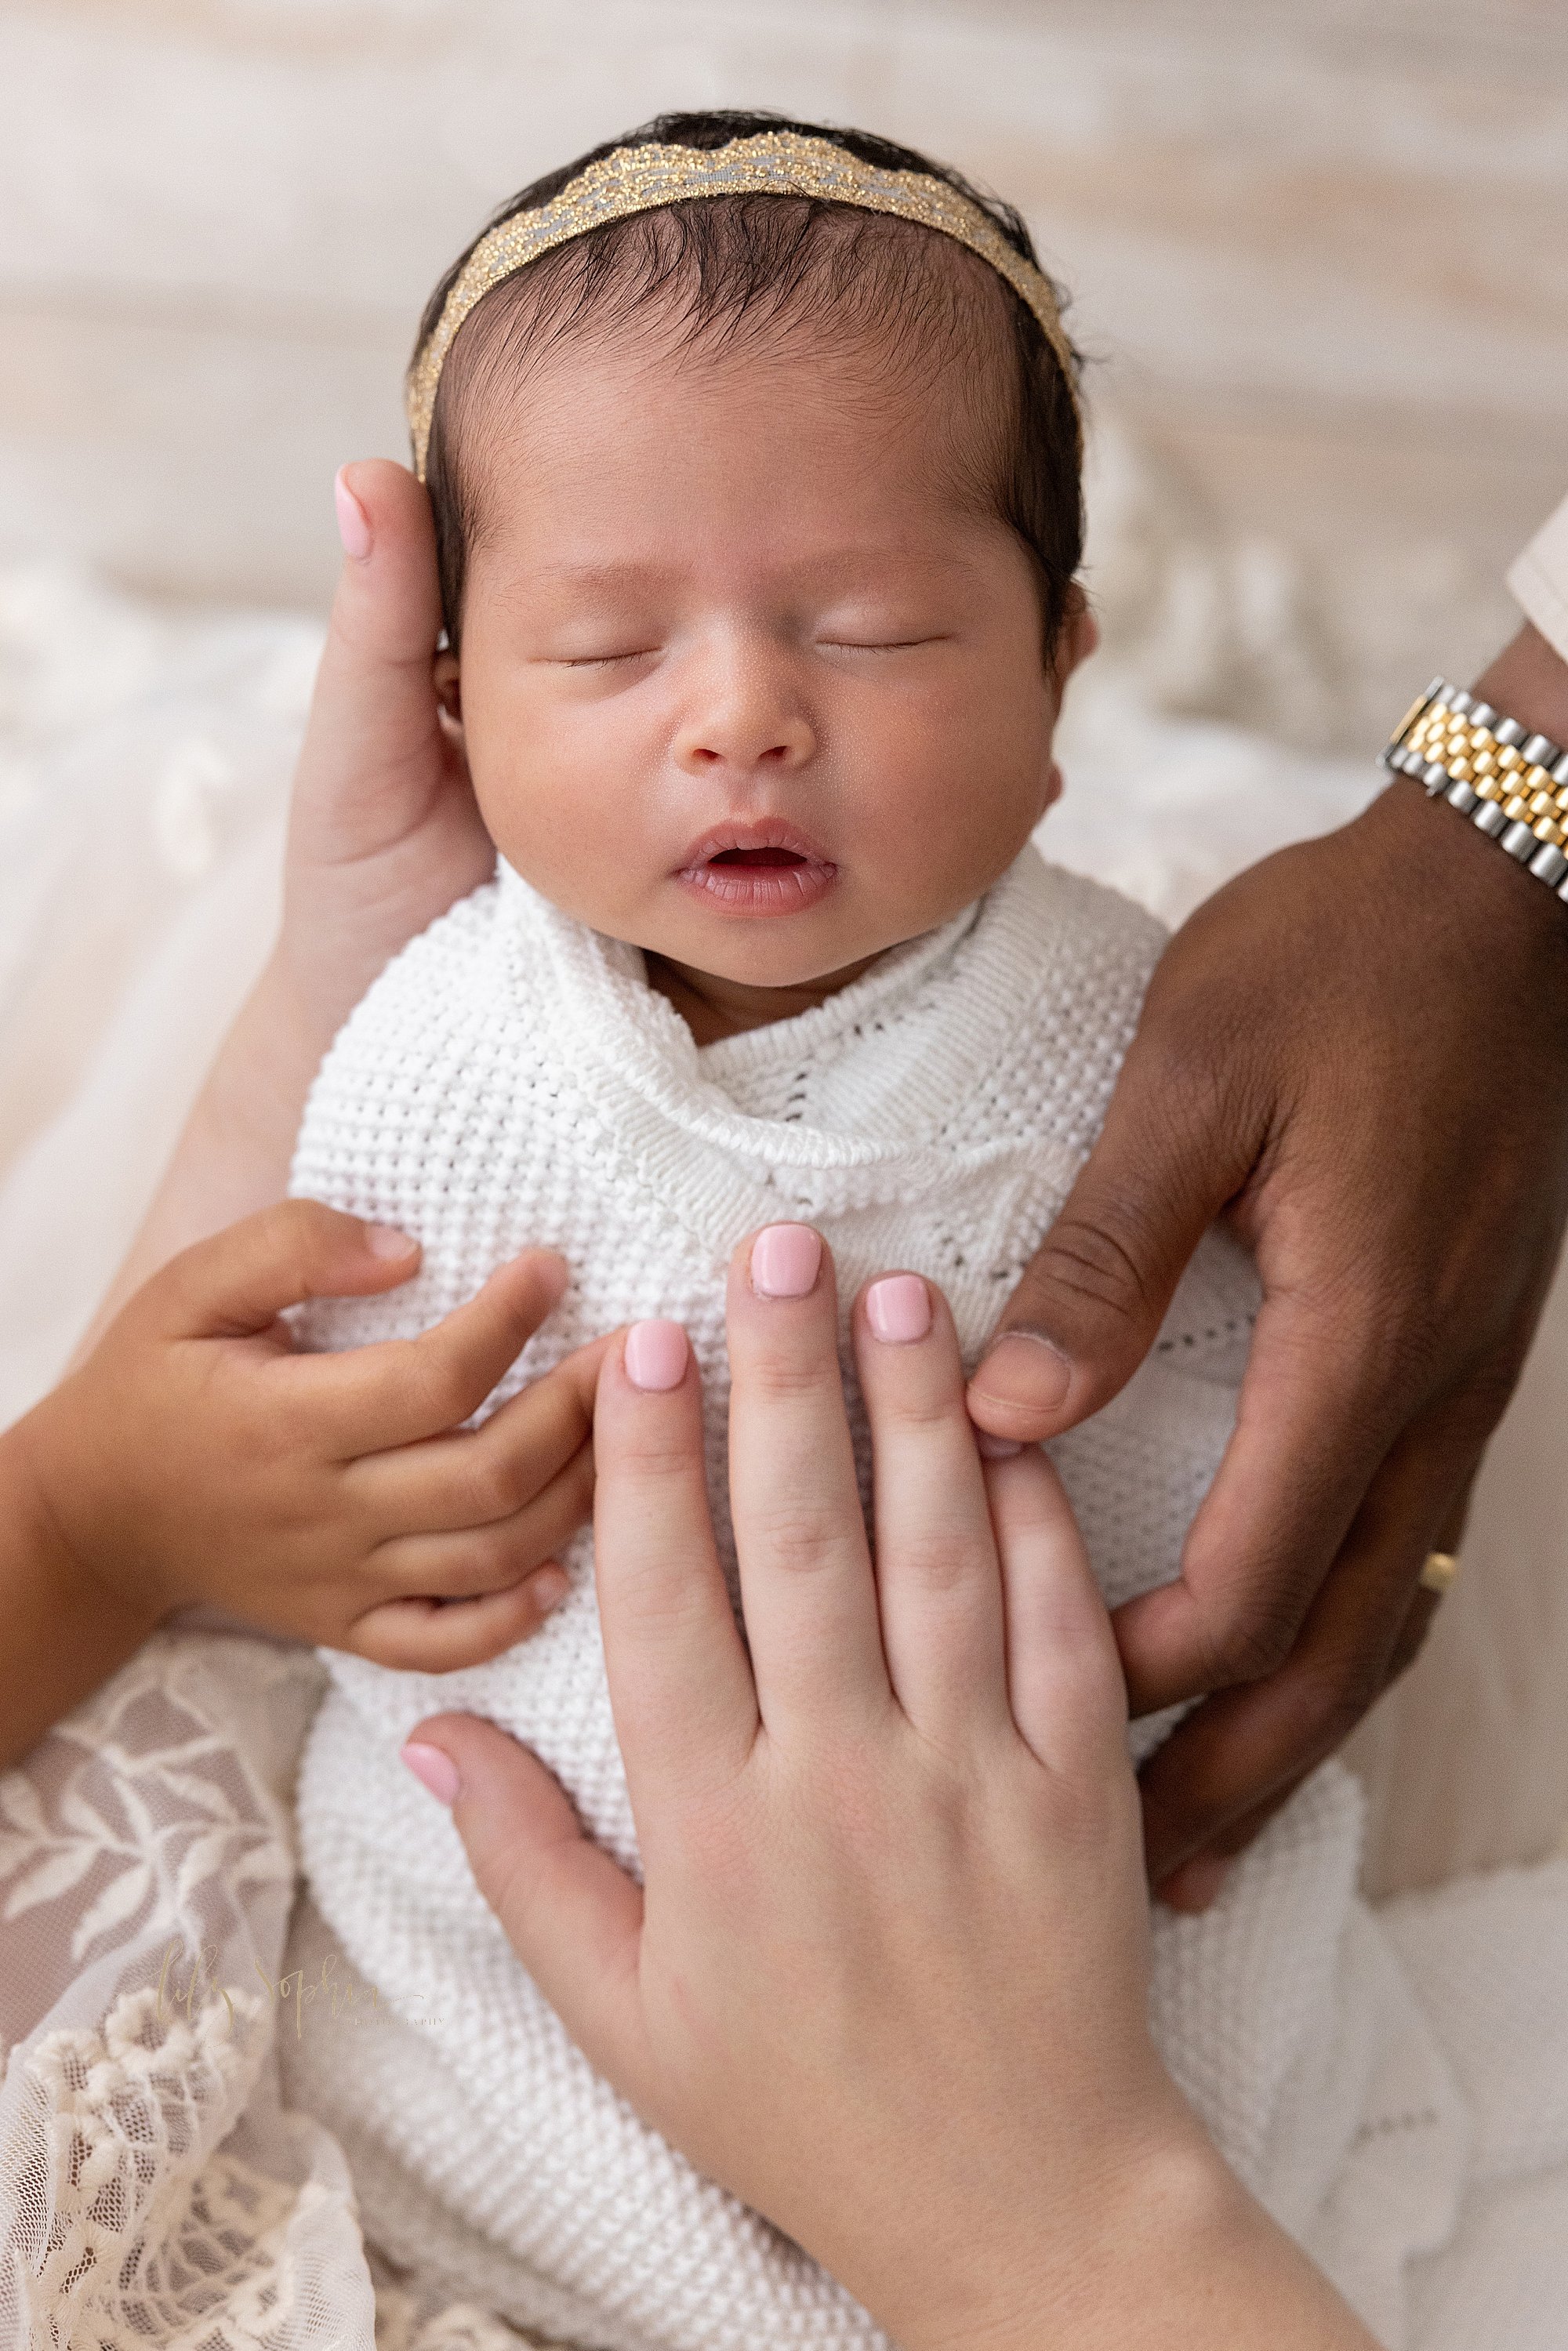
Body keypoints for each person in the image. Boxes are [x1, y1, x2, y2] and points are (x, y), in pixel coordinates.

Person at [163, 111, 1550, 2345]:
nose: (742, 718)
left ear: (1062, 666)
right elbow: (296, 1425)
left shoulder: (1151, 1034)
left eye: (876, 628)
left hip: (1042, 1889)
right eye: (606, 652)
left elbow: (1259, 1415)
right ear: (449, 700)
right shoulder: (429, 1051)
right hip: (522, 1943)